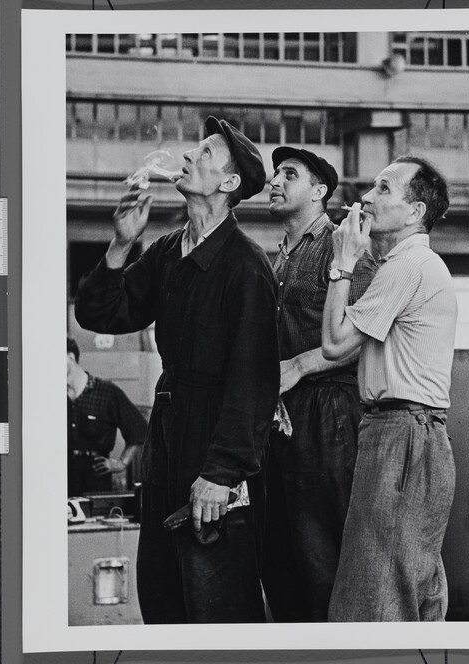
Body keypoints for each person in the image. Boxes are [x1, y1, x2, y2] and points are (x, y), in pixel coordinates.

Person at [74, 117, 279, 624]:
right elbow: (102, 314)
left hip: (214, 445)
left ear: (229, 184)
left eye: (205, 154)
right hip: (169, 436)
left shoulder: (246, 267)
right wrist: (122, 245)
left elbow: (252, 384)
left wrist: (220, 473)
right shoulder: (168, 251)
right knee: (162, 590)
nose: (189, 157)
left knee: (216, 593)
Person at [322, 156, 458, 622]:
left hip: (401, 434)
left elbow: (336, 341)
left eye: (383, 189)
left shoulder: (407, 266)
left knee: (375, 593)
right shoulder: (412, 265)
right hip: (414, 435)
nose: (366, 198)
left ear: (416, 211)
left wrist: (342, 263)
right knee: (414, 582)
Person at [261, 147, 376, 622]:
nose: (275, 181)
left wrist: (301, 365)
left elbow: (371, 329)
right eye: (274, 175)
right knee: (282, 563)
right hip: (281, 422)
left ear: (320, 192)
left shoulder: (343, 246)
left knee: (324, 562)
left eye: (290, 174)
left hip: (332, 418)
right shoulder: (278, 258)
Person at [67, 336, 146, 496]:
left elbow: (139, 429)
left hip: (96, 482)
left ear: (71, 357)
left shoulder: (106, 392)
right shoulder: (50, 397)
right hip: (61, 478)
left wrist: (121, 463)